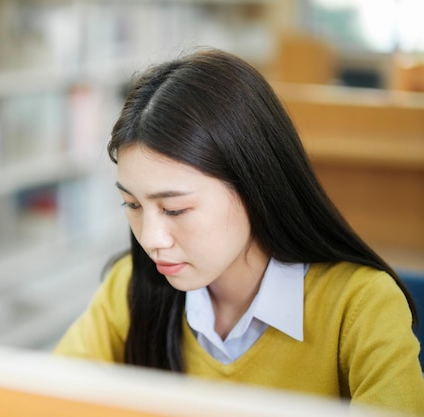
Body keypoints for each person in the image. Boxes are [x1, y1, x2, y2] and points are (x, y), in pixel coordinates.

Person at [53, 48, 424, 414]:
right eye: (133, 205)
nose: (150, 239)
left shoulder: (361, 306)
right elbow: (39, 397)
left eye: (174, 209)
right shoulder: (130, 286)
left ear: (254, 185)